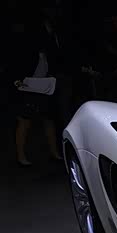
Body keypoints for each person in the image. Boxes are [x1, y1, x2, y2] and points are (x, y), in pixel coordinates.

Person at [11, 10, 63, 167]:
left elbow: (55, 58)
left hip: (46, 85)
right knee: (25, 120)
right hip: (28, 85)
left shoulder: (50, 43)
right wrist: (16, 81)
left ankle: (54, 153)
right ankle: (21, 157)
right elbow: (15, 63)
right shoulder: (26, 42)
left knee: (49, 119)